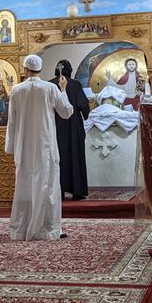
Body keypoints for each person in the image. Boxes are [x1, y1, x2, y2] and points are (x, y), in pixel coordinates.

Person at [5, 54, 73, 241]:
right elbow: (66, 112)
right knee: (47, 185)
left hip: (25, 146)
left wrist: (12, 147)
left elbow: (11, 122)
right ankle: (48, 229)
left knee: (25, 185)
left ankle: (21, 229)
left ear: (26, 70)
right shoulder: (50, 88)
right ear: (40, 69)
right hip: (45, 146)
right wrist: (63, 90)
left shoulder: (17, 90)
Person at [49, 60, 90, 201]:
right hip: (73, 127)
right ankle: (77, 191)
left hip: (55, 128)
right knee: (75, 156)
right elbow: (83, 104)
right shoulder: (75, 84)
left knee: (57, 158)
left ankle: (57, 192)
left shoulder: (49, 85)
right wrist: (86, 114)